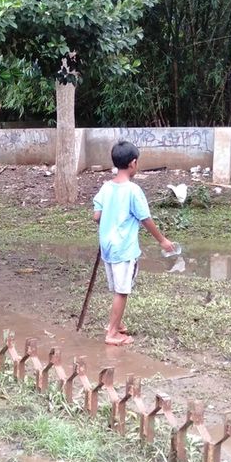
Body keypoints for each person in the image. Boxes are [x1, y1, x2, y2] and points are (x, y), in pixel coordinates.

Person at [93, 140, 175, 346]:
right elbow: (145, 219)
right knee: (122, 290)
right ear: (133, 163)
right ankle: (112, 332)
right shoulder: (133, 190)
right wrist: (163, 240)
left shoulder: (105, 187)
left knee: (118, 287)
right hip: (123, 248)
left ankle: (117, 324)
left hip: (108, 247)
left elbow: (96, 216)